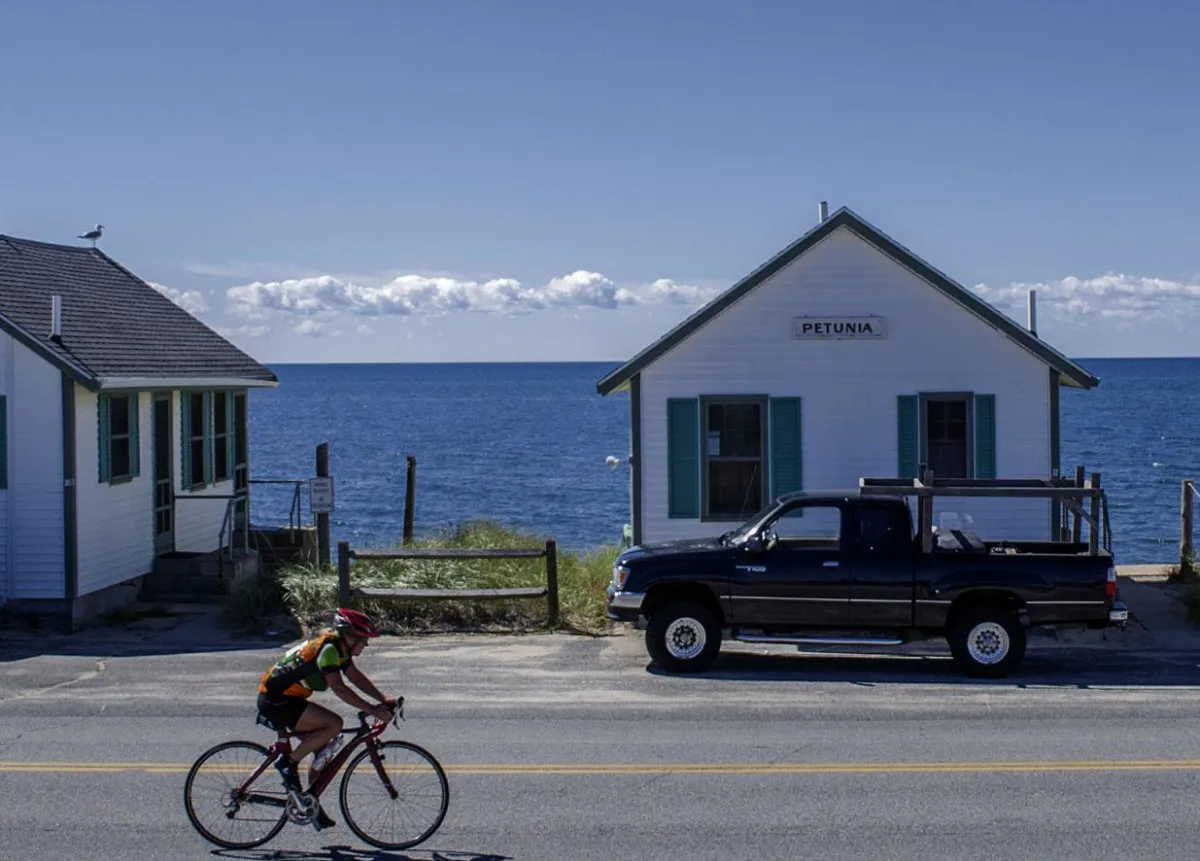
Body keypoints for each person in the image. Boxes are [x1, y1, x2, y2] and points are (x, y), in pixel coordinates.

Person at [256, 607, 396, 830]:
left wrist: (383, 699)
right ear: (351, 637)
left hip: (288, 699)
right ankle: (288, 763)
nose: (366, 645)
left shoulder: (339, 648)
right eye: (363, 640)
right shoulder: (329, 650)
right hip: (276, 701)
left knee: (323, 753)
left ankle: (311, 804)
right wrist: (372, 709)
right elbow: (340, 688)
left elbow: (355, 677)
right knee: (334, 723)